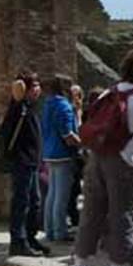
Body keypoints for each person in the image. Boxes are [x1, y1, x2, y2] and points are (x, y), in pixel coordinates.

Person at [71, 45, 133, 266]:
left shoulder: (107, 94)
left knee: (91, 213)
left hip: (96, 159)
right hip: (123, 163)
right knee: (123, 216)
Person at [0, 71, 49, 256]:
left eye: (38, 85)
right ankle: (18, 242)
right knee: (21, 202)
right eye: (33, 86)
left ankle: (30, 237)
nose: (38, 89)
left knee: (34, 202)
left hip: (33, 163)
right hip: (22, 161)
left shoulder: (31, 107)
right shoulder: (19, 108)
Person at [42, 74, 81, 242]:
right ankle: (60, 232)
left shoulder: (47, 104)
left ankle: (50, 230)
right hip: (63, 154)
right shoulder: (63, 106)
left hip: (49, 153)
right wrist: (83, 144)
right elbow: (68, 135)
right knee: (61, 196)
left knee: (52, 194)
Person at [67, 85, 85, 228]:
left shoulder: (80, 112)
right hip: (73, 152)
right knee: (72, 187)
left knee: (77, 186)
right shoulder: (69, 112)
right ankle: (72, 216)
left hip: (79, 153)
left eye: (79, 96)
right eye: (74, 95)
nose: (77, 99)